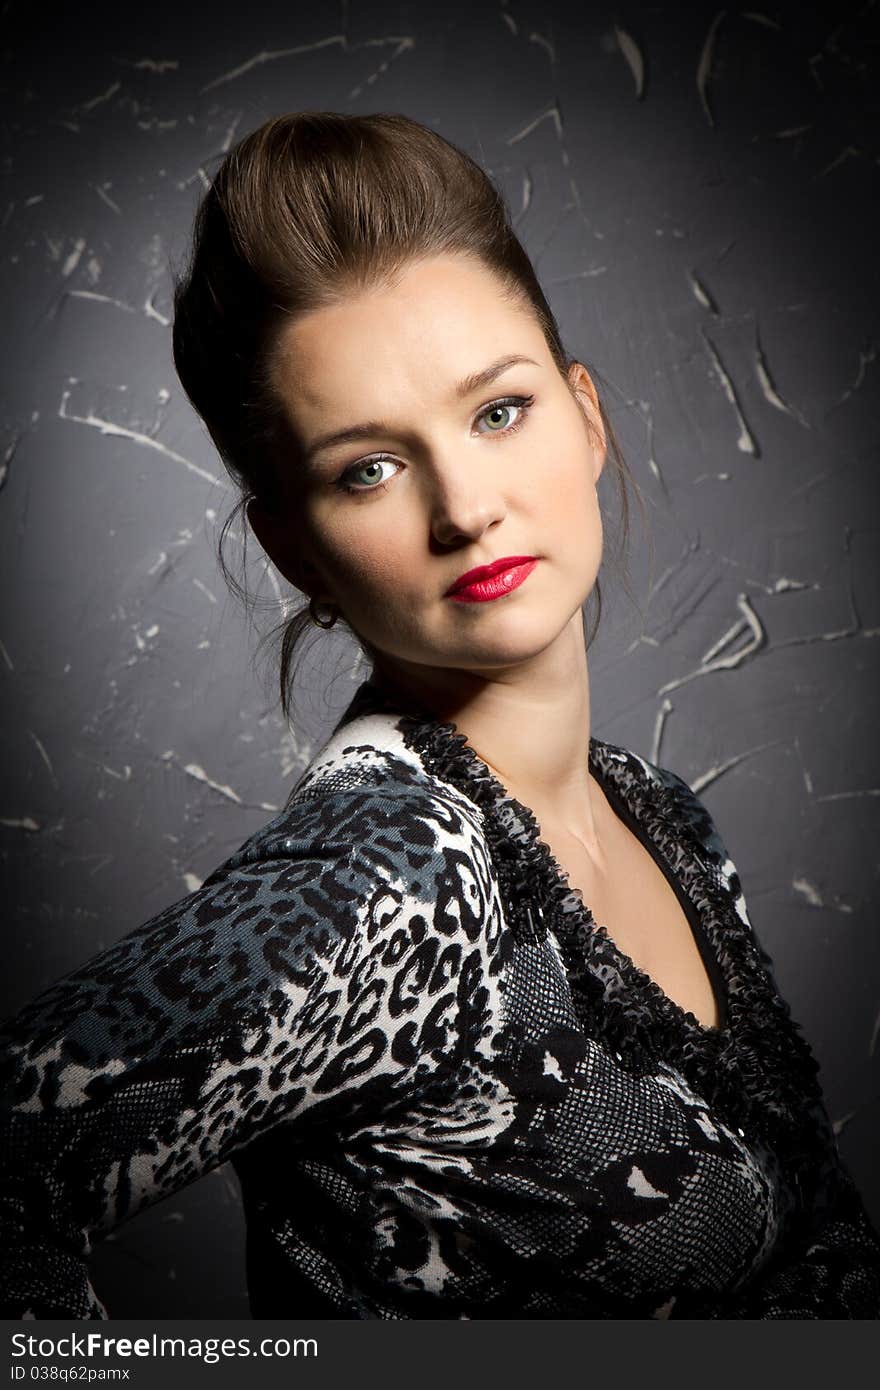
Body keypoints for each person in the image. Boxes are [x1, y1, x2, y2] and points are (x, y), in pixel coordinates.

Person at [2, 110, 879, 1322]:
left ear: (586, 415)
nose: (465, 504)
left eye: (498, 411)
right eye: (369, 467)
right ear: (292, 544)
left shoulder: (661, 816)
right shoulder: (393, 872)